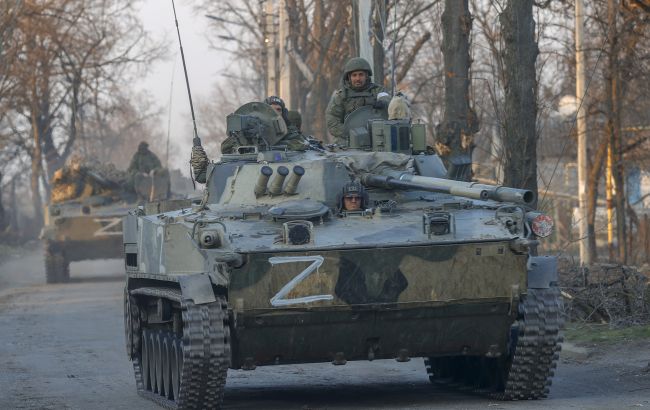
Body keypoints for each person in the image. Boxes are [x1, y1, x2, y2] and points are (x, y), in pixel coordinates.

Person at [326, 57, 389, 146]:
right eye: (354, 75)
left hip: (376, 138)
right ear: (349, 77)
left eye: (361, 75)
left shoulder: (377, 90)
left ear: (366, 76)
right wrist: (349, 132)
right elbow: (332, 119)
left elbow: (386, 98)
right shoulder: (341, 96)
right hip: (348, 140)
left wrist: (383, 103)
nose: (358, 78)